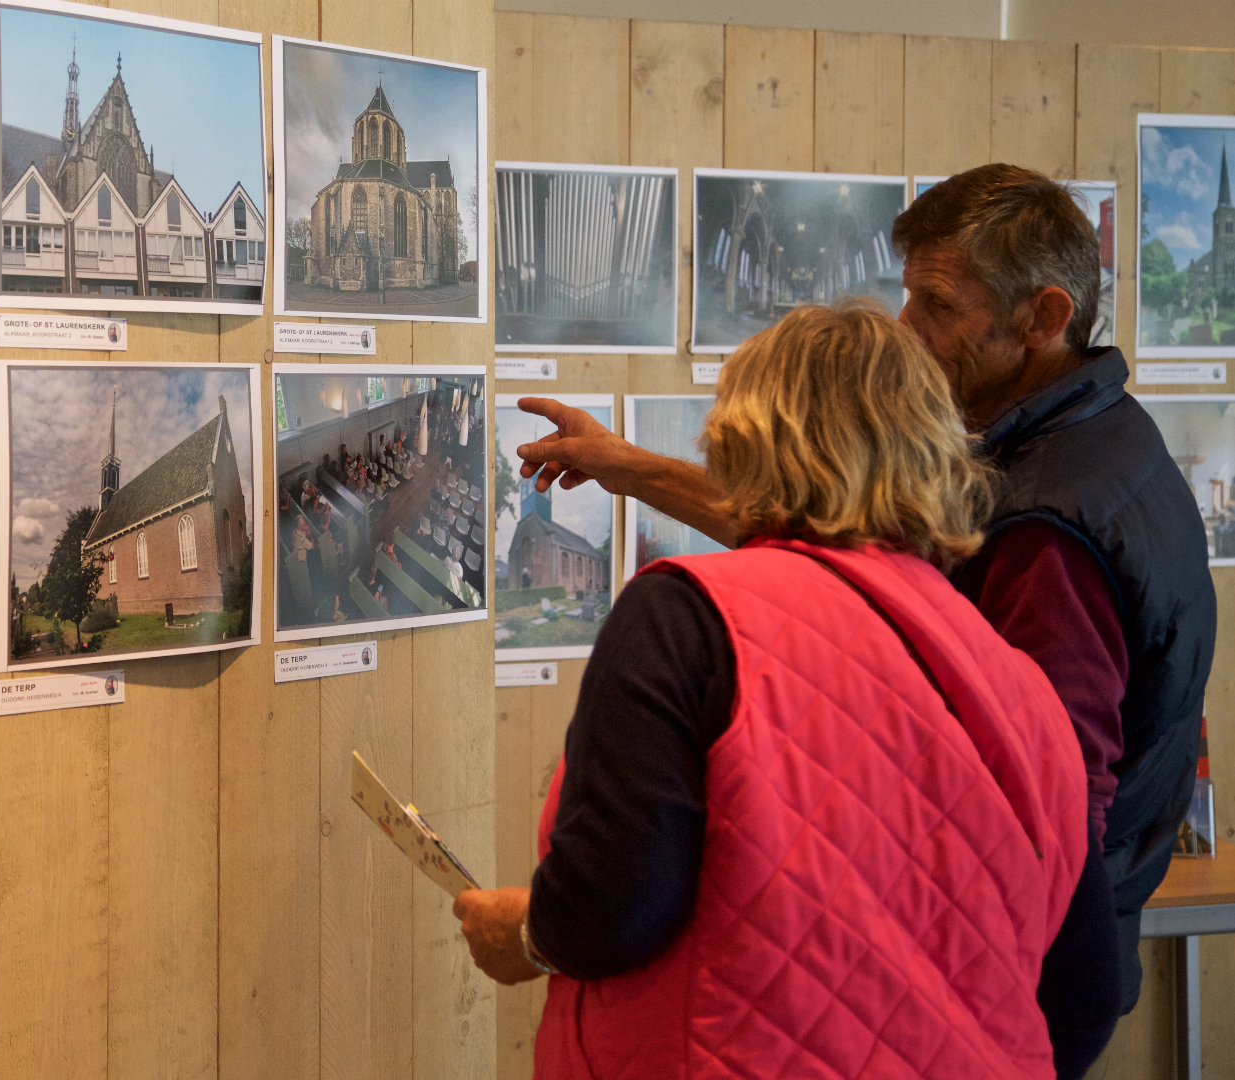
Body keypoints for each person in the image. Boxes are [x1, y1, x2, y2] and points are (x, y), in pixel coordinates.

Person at [509, 164, 1213, 1039]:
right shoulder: (1089, 440)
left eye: (938, 306)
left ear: (1043, 317)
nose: (907, 330)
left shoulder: (1046, 525)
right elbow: (825, 535)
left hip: (990, 981)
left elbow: (1049, 816)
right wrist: (623, 464)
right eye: (907, 296)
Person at [456, 303, 1100, 1079]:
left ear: (742, 439)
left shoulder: (688, 615)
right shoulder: (1015, 679)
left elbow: (610, 908)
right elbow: (1086, 989)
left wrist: (525, 935)